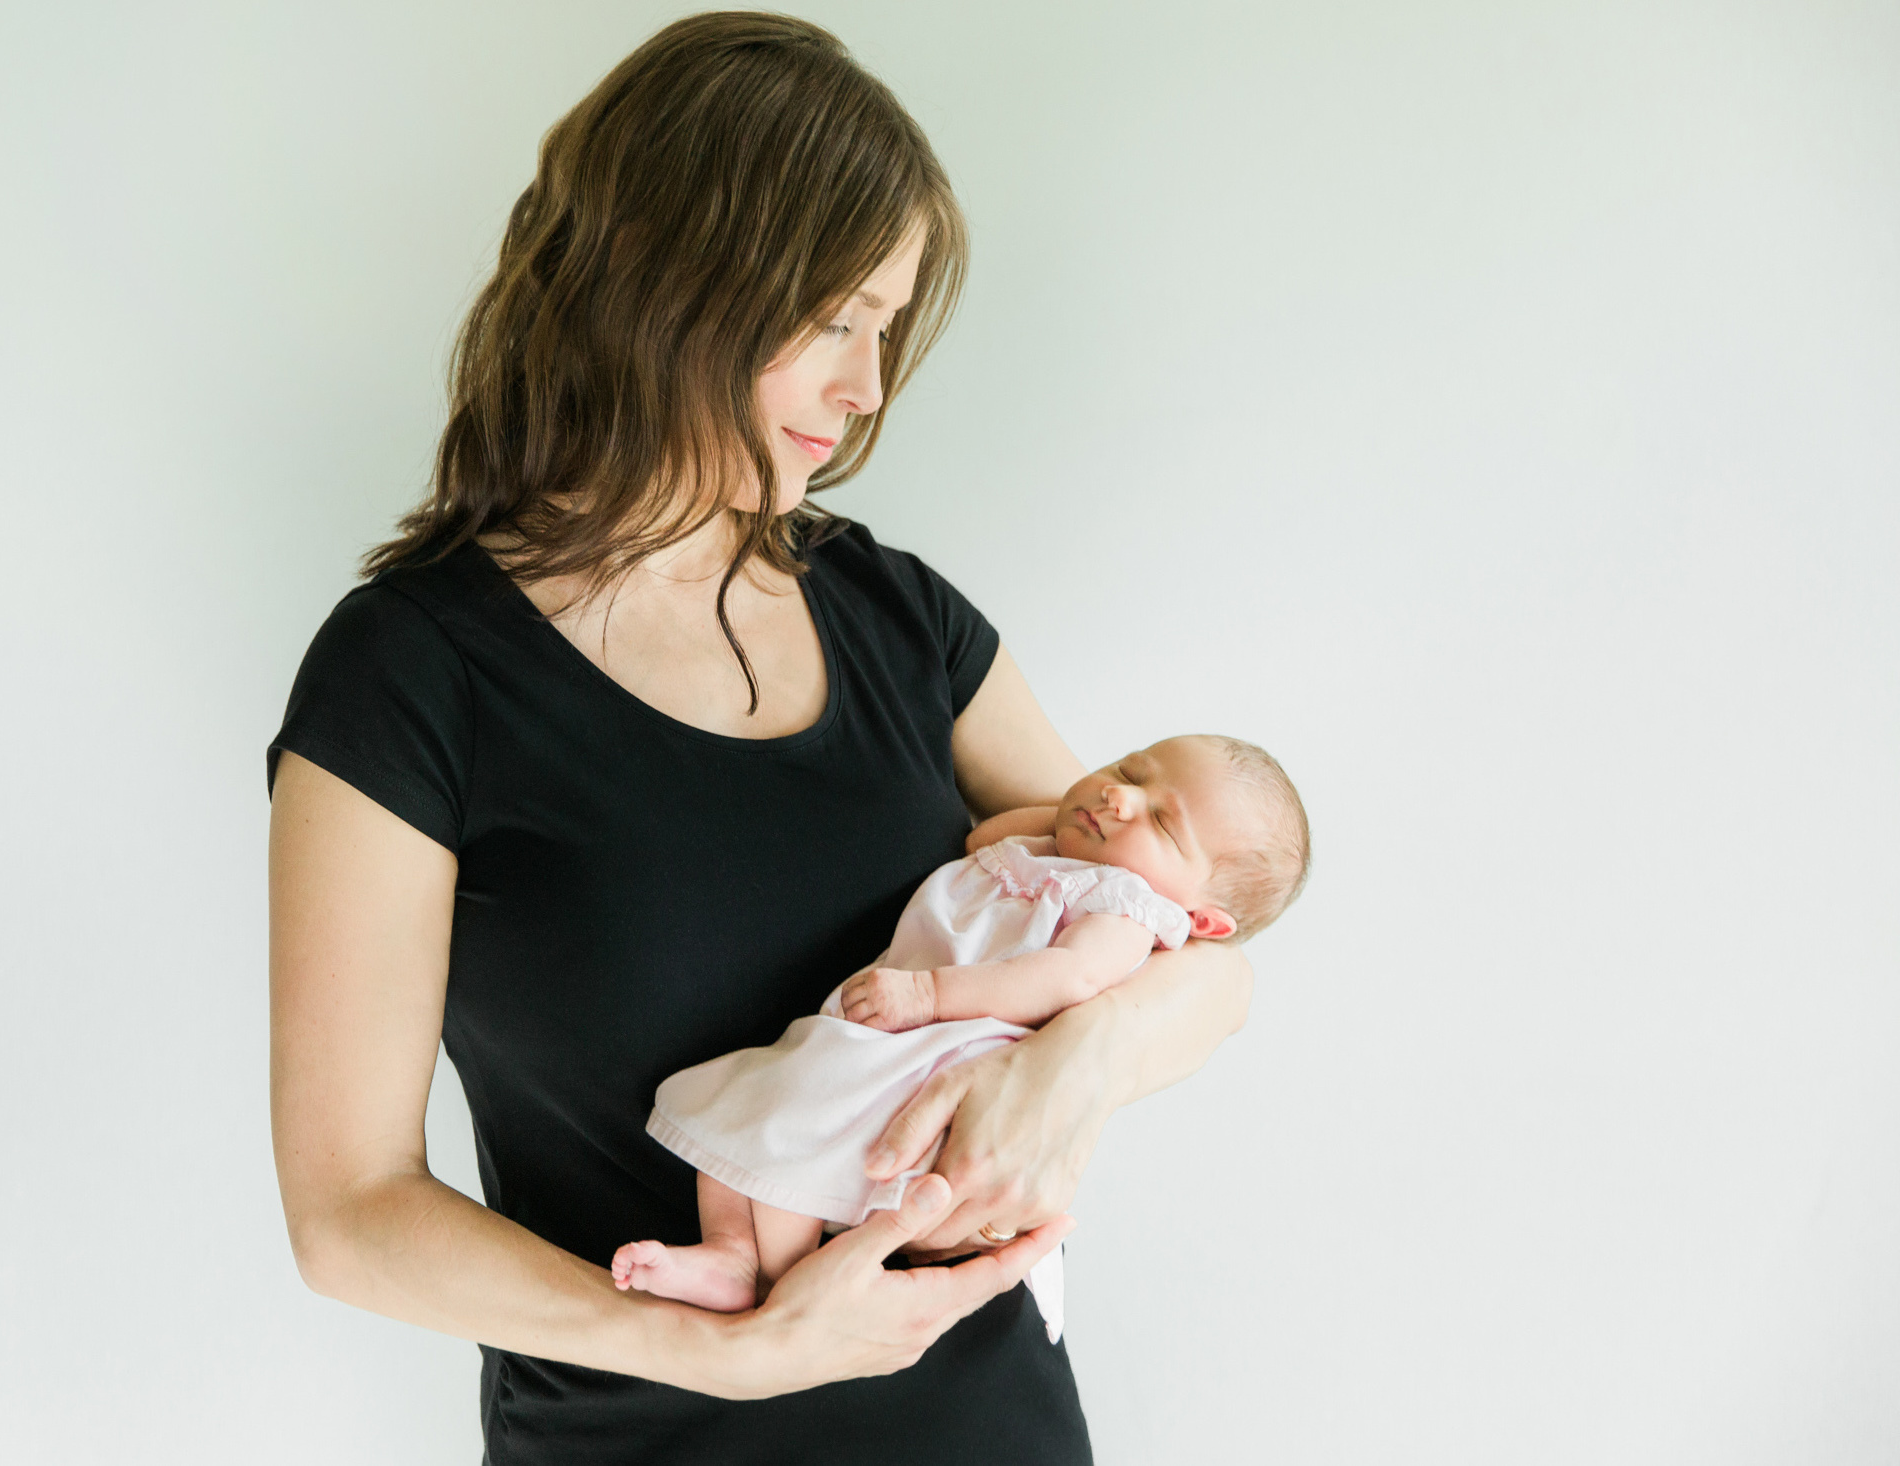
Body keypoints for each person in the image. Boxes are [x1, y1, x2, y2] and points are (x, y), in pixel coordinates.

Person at [266, 14, 1255, 1463]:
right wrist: (723, 1351)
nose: (867, 390)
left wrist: (1077, 1064)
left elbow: (1198, 950)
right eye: (839, 320)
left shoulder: (896, 615)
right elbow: (349, 1213)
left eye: (886, 330)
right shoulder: (410, 674)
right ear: (679, 280)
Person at [611, 735, 1309, 1345]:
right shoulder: (1056, 855)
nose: (1121, 797)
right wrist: (1073, 813)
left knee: (795, 1127)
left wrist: (929, 994)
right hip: (882, 1028)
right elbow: (983, 839)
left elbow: (1065, 977)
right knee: (751, 1109)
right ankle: (732, 1253)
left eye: (1161, 819)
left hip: (940, 1042)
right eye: (1129, 770)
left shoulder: (1127, 909)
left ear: (1203, 920)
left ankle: (785, 1280)